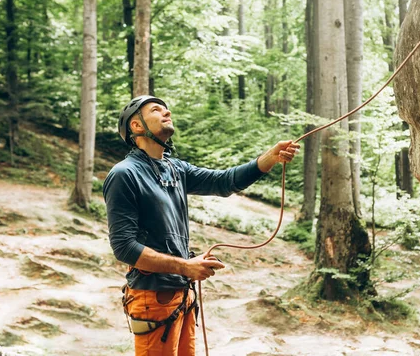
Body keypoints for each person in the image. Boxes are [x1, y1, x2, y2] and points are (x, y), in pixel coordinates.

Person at [103, 95, 299, 356]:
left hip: (182, 295)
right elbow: (124, 248)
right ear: (137, 126)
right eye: (156, 110)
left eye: (166, 108)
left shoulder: (176, 169)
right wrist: (186, 266)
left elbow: (223, 182)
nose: (167, 111)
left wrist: (270, 158)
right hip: (153, 297)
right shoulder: (124, 174)